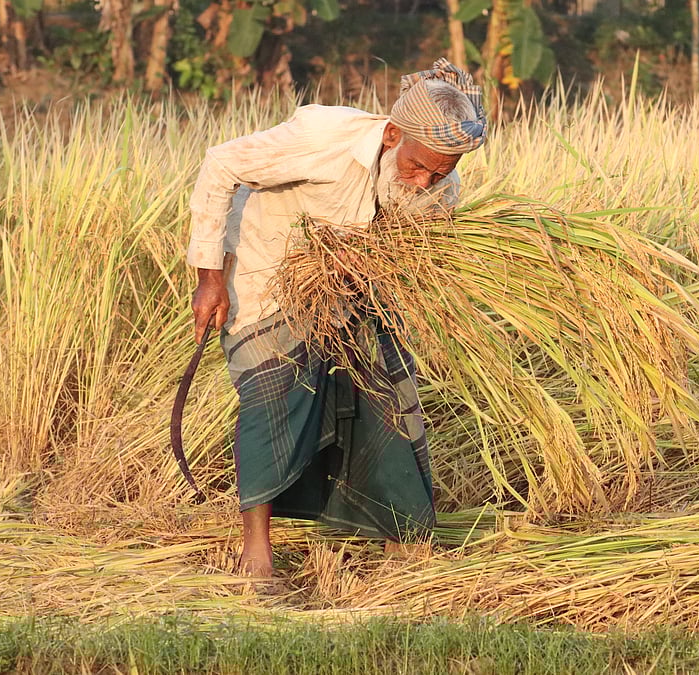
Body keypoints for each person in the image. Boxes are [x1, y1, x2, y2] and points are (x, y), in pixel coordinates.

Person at [186, 59, 487, 577]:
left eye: (440, 172)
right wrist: (209, 277)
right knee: (271, 393)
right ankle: (256, 553)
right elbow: (221, 165)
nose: (424, 182)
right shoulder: (323, 138)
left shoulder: (440, 186)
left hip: (352, 293)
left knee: (388, 393)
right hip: (265, 277)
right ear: (392, 135)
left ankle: (399, 536)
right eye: (417, 166)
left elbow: (414, 249)